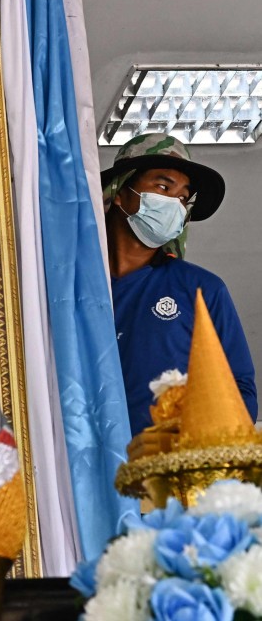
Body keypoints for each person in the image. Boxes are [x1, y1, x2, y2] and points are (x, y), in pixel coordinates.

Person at [102, 132, 257, 436]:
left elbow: (240, 391)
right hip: (75, 471)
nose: (175, 203)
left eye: (184, 198)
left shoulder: (200, 290)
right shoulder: (72, 287)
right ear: (120, 191)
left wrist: (189, 447)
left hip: (164, 475)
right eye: (163, 187)